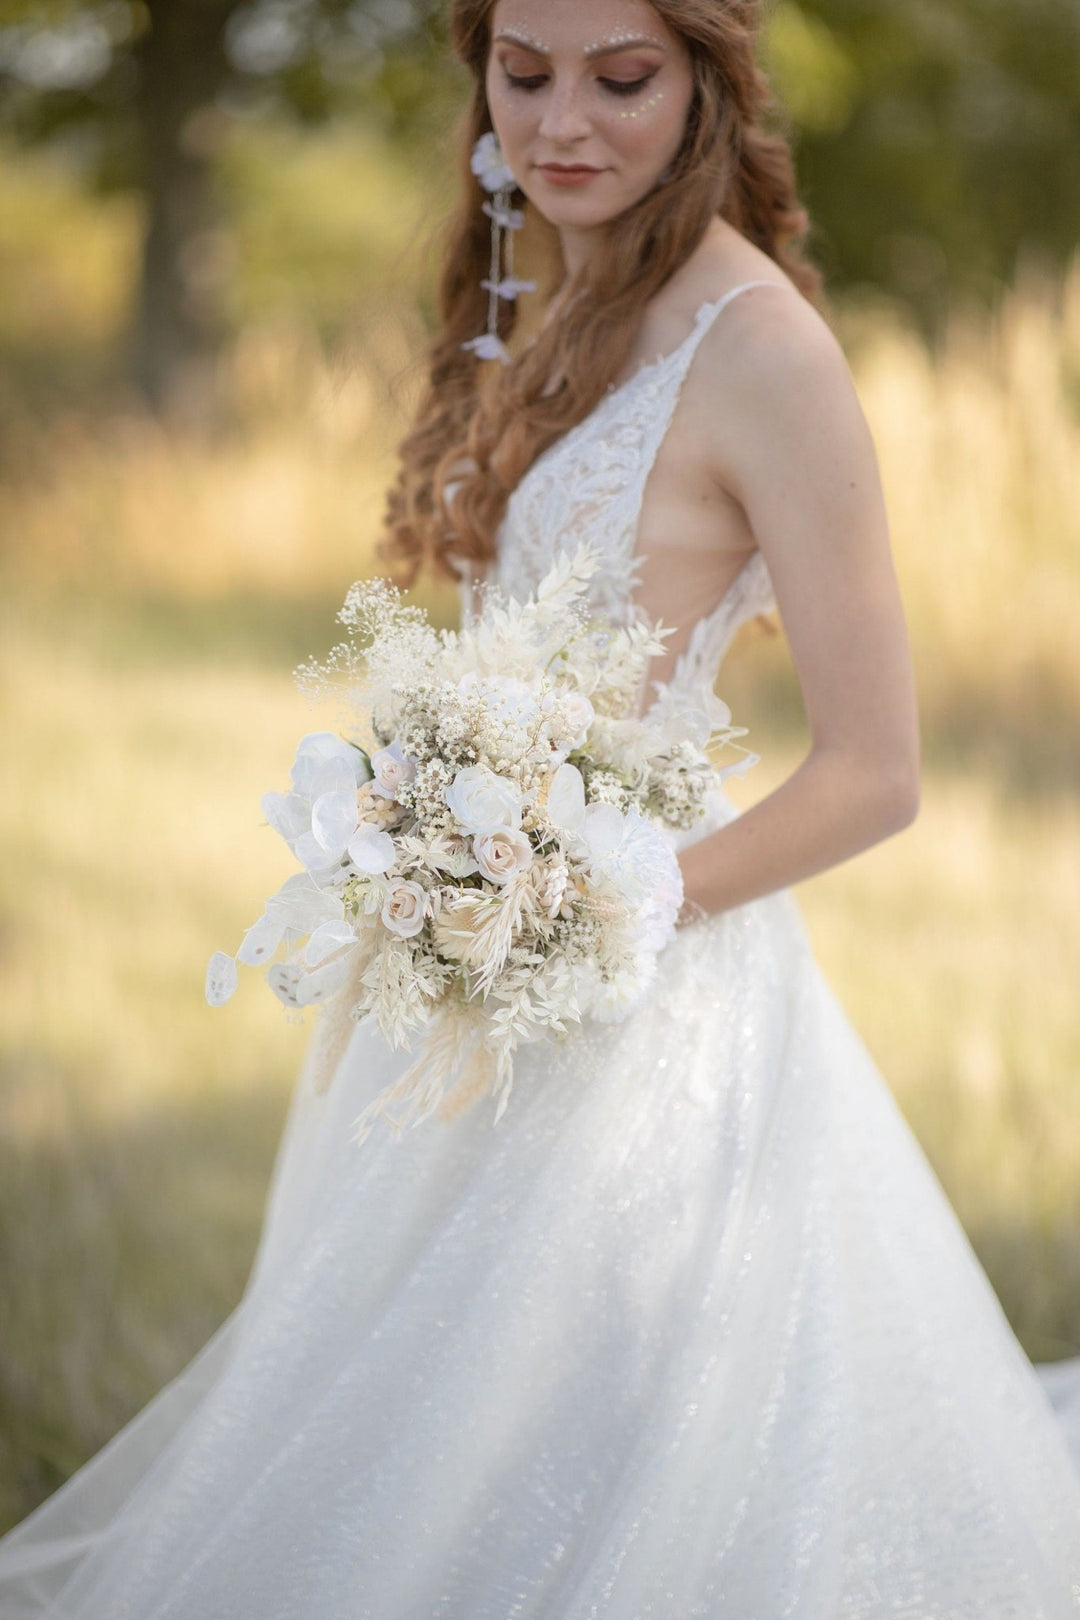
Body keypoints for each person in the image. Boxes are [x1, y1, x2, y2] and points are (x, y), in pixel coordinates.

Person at [1, 1, 1079, 1614]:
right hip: (470, 958)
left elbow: (880, 771)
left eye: (622, 78)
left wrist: (599, 899)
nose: (562, 121)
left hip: (641, 989)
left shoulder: (766, 354)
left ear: (709, 81)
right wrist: (429, 838)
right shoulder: (554, 287)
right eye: (525, 72)